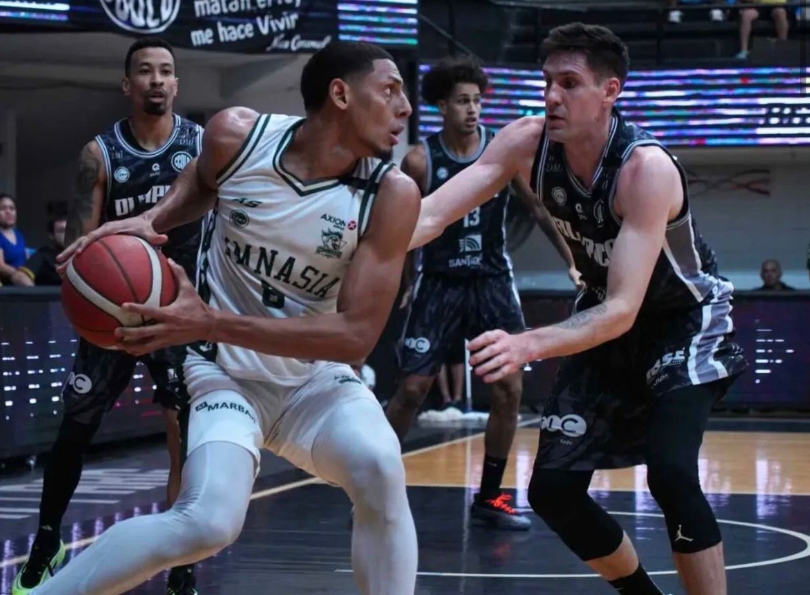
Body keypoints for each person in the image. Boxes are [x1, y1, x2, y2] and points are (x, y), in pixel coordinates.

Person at [36, 40, 419, 595]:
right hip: (223, 375)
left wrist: (211, 322)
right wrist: (155, 218)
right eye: (390, 90)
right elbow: (202, 182)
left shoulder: (391, 193)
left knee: (381, 468)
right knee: (208, 523)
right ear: (340, 94)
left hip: (313, 381)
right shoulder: (239, 137)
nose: (405, 107)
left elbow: (354, 338)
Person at [409, 23, 748, 595]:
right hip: (606, 320)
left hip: (682, 321)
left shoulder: (645, 168)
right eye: (547, 82)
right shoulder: (526, 141)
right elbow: (432, 215)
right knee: (552, 492)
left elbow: (622, 308)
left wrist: (527, 342)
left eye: (569, 84)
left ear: (610, 91)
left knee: (671, 473)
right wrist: (355, 244)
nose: (551, 97)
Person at [13, 37, 203, 595]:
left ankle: (183, 564)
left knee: (183, 436)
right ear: (127, 84)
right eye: (145, 71)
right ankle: (47, 542)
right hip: (114, 317)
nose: (156, 80)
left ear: (176, 83)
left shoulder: (199, 147)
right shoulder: (99, 154)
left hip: (177, 313)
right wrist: (92, 303)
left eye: (165, 71)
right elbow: (77, 253)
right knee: (75, 428)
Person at [384, 56, 580, 531]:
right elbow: (405, 229)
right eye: (462, 101)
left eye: (476, 101)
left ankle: (490, 496)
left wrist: (573, 260)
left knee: (509, 388)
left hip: (490, 281)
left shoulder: (501, 151)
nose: (472, 110)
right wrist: (401, 284)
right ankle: (374, 490)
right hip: (438, 282)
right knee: (411, 390)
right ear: (441, 106)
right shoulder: (420, 160)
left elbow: (539, 210)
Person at [0, 193, 28, 283]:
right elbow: (1, 266)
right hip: (7, 285)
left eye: (12, 208)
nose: (8, 212)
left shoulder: (19, 235)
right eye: (3, 208)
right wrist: (19, 275)